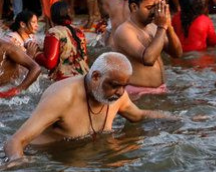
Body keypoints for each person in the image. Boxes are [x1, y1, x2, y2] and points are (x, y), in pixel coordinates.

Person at [3, 53, 174, 162]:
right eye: (114, 85)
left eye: (125, 86)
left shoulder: (117, 96)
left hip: (87, 159)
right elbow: (15, 142)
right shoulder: (63, 96)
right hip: (46, 157)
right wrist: (19, 163)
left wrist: (180, 119)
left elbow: (139, 115)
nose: (121, 92)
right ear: (96, 77)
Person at [111, 0, 183, 96]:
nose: (154, 12)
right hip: (137, 93)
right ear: (134, 7)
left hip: (159, 90)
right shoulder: (124, 31)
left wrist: (169, 26)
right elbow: (148, 59)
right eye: (149, 8)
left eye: (155, 7)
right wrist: (162, 27)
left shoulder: (154, 27)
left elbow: (177, 53)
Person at [33, 1, 89, 82]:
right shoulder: (79, 31)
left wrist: (35, 54)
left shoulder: (54, 32)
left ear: (52, 16)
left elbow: (50, 62)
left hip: (64, 81)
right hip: (84, 77)